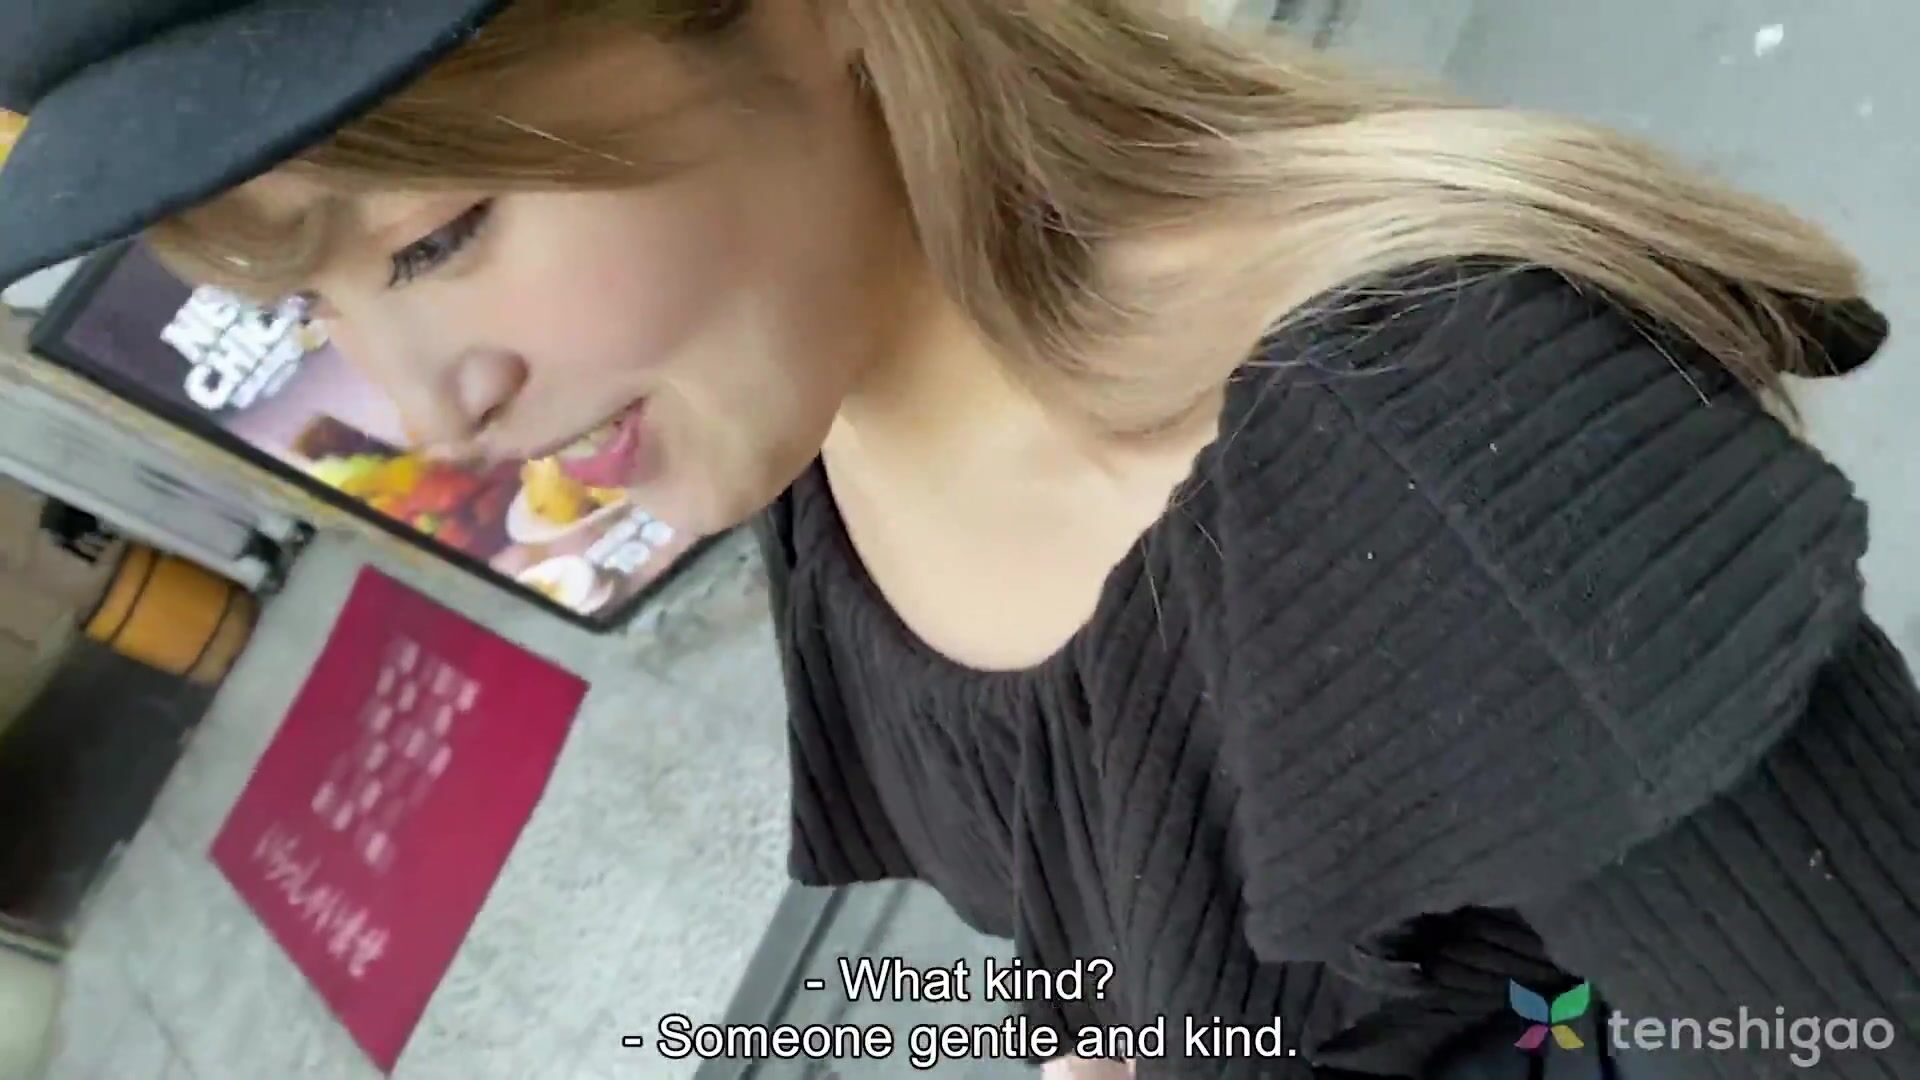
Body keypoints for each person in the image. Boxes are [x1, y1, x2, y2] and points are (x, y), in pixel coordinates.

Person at [2, 2, 1915, 1077]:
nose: (427, 414)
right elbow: (1141, 940)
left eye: (436, 237)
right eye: (313, 307)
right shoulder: (829, 444)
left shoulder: (1440, 474)